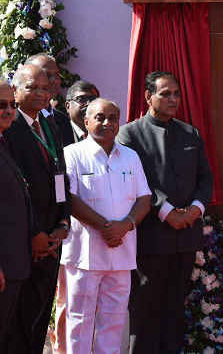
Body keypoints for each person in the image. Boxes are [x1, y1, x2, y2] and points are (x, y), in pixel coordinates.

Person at [117, 71, 213, 353]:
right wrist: (166, 210)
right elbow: (135, 180)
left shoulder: (189, 132)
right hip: (151, 238)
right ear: (148, 96)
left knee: (174, 312)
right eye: (165, 94)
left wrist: (195, 210)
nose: (173, 99)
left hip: (185, 237)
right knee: (146, 311)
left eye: (176, 94)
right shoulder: (130, 134)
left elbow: (205, 179)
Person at [62, 98, 151, 354]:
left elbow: (144, 198)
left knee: (113, 321)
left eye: (112, 118)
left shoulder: (130, 156)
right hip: (85, 255)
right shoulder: (72, 154)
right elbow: (69, 199)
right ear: (86, 121)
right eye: (100, 117)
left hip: (121, 253)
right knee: (79, 321)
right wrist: (105, 227)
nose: (107, 123)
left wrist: (125, 226)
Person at [3, 64, 70, 354]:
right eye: (33, 87)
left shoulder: (50, 123)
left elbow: (60, 174)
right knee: (17, 325)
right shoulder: (10, 128)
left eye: (46, 87)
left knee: (39, 318)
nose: (42, 93)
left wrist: (63, 223)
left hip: (52, 241)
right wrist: (36, 234)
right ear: (16, 91)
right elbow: (16, 194)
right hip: (27, 244)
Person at [51, 79, 101, 354]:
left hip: (98, 236)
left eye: (93, 99)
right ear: (68, 104)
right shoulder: (54, 131)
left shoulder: (105, 134)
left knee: (92, 303)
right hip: (64, 231)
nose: (88, 105)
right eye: (82, 99)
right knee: (66, 300)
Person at [0, 81, 33, 350]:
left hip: (14, 264)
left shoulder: (5, 142)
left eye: (13, 105)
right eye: (2, 105)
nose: (9, 111)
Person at [27, 53, 75, 147]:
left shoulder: (63, 120)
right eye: (47, 75)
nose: (55, 80)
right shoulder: (18, 121)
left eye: (57, 75)